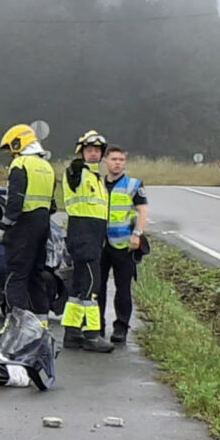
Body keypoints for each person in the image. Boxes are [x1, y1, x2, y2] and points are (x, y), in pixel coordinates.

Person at [60, 131, 115, 352]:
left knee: (79, 285)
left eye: (97, 151)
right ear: (82, 153)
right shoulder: (78, 172)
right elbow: (73, 176)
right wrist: (76, 166)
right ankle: (92, 335)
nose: (93, 154)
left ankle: (72, 333)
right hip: (83, 233)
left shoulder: (96, 177)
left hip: (92, 234)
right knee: (92, 285)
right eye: (89, 150)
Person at [0, 124, 61, 317]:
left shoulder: (20, 164)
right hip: (42, 225)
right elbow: (53, 206)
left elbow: (15, 200)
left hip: (23, 226)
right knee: (35, 276)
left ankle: (14, 327)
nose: (10, 154)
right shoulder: (47, 167)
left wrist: (4, 226)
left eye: (11, 149)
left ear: (18, 143)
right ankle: (41, 324)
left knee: (16, 276)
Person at [99, 146, 148, 346]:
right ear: (106, 162)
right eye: (113, 159)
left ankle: (121, 328)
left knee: (123, 288)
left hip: (124, 244)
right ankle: (97, 326)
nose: (117, 163)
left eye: (121, 159)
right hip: (100, 244)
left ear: (125, 162)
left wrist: (137, 234)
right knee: (98, 288)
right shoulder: (97, 184)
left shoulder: (133, 185)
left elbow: (142, 211)